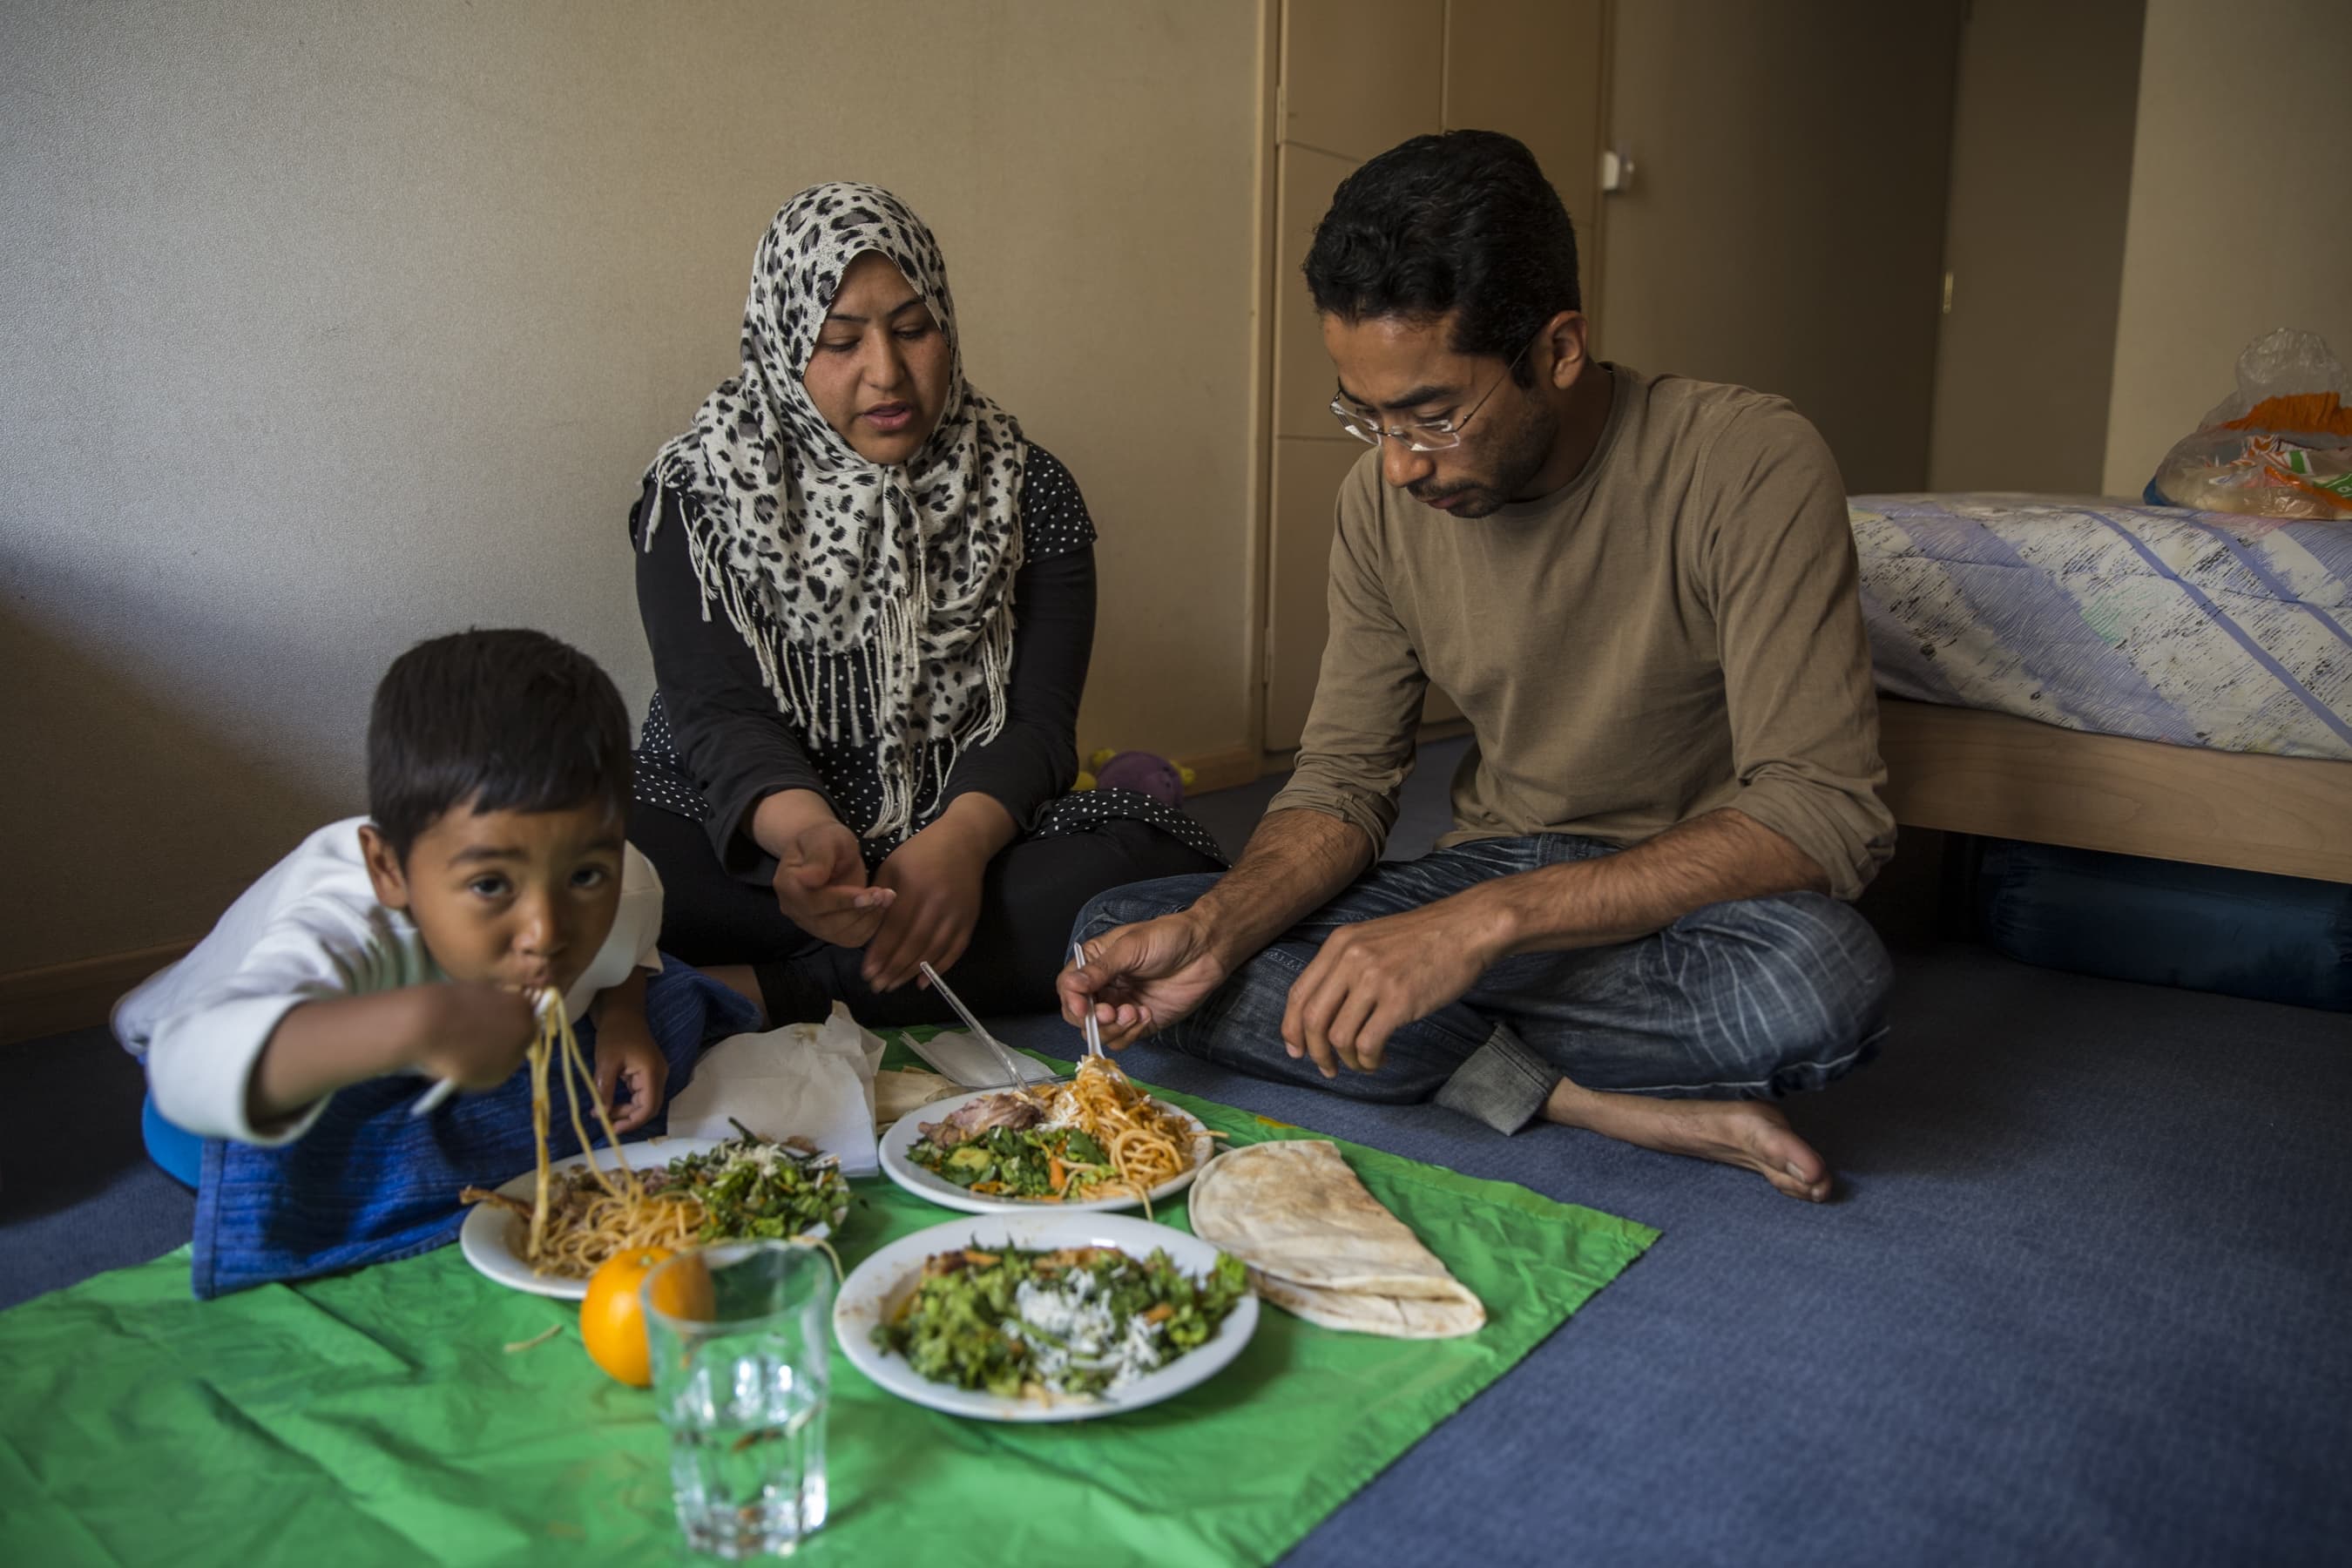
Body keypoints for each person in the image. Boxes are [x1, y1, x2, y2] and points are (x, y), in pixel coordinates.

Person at [1061, 131, 1896, 1202]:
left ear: (1558, 350)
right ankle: (1578, 1099)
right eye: (1364, 415)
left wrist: (1480, 928)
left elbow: (1822, 810)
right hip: (1489, 868)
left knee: (1817, 981)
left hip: (1684, 904)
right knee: (1122, 942)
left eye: (1433, 415)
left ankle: (1441, 1043)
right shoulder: (1379, 502)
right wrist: (1219, 929)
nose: (1399, 463)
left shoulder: (1748, 461)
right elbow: (1343, 784)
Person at [628, 183, 1220, 1030]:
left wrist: (959, 846)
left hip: (959, 829)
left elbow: (1038, 724)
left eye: (913, 329)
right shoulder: (698, 488)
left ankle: (756, 990)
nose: (887, 371)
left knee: (1146, 870)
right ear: (781, 347)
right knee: (588, 858)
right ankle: (880, 973)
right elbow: (716, 713)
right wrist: (802, 839)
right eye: (839, 341)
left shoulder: (1027, 487)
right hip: (746, 838)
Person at [113, 629, 759, 1296]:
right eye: (490, 886)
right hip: (254, 1042)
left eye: (585, 875)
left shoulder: (627, 880)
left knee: (668, 1004)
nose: (545, 933)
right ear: (389, 868)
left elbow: (631, 938)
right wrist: (419, 1024)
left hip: (453, 1026)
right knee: (290, 1155)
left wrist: (626, 1018)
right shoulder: (347, 919)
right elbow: (186, 1065)